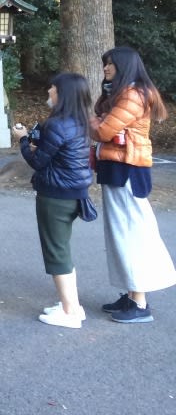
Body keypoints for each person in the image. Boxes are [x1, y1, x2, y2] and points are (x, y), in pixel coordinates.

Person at [91, 46, 176, 323]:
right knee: (121, 232)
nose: (105, 68)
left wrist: (93, 119)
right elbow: (104, 124)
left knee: (131, 232)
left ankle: (139, 303)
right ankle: (131, 294)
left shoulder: (133, 94)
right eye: (105, 64)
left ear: (124, 66)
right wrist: (102, 105)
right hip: (119, 166)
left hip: (126, 169)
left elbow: (103, 130)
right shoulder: (123, 92)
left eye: (110, 65)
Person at [11, 72, 94, 328]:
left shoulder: (58, 124)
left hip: (56, 195)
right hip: (74, 192)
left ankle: (70, 313)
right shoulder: (81, 122)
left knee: (56, 253)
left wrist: (23, 140)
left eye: (53, 88)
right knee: (62, 249)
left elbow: (37, 161)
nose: (49, 91)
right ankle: (72, 304)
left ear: (63, 93)